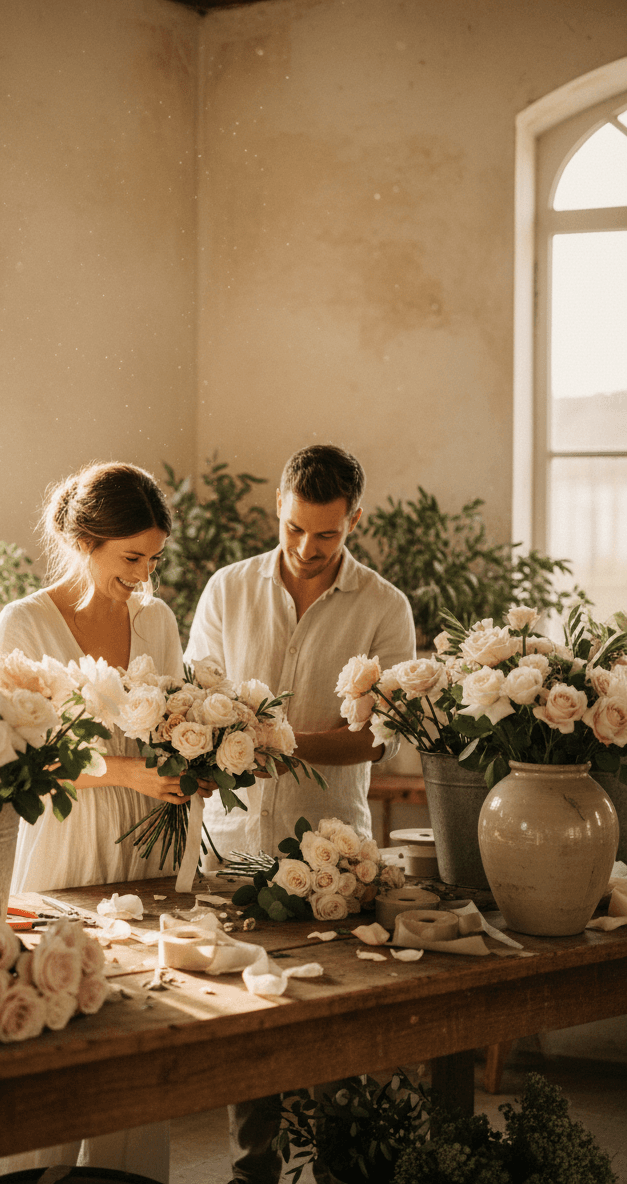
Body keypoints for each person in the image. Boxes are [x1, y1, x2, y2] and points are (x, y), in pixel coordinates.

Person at [185, 443, 416, 1184]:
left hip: (333, 855)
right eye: (293, 529)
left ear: (355, 520)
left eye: (327, 535)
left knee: (335, 1034)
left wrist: (277, 745)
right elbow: (197, 700)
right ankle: (250, 1176)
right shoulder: (227, 590)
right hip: (234, 846)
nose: (306, 549)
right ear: (278, 510)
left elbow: (376, 740)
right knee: (243, 1033)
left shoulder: (385, 607)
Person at [0, 461, 204, 1184]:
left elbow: (172, 722)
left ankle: (128, 1179)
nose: (144, 575)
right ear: (85, 540)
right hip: (62, 834)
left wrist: (201, 754)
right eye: (130, 558)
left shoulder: (158, 619)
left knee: (142, 1020)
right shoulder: (24, 623)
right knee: (50, 1015)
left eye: (154, 559)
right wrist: (122, 772)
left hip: (146, 837)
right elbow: (18, 756)